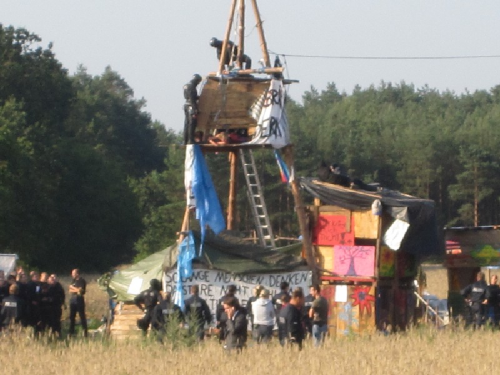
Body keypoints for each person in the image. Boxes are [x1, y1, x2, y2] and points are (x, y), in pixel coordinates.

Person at [183, 73, 202, 145]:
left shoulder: (186, 85)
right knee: (192, 123)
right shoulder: (192, 87)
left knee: (186, 123)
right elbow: (192, 99)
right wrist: (195, 109)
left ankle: (185, 140)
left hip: (186, 105)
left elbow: (187, 96)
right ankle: (191, 140)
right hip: (191, 106)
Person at [68, 268, 88, 337]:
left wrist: (73, 288)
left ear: (77, 274)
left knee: (82, 316)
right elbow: (69, 290)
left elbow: (81, 291)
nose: (72, 275)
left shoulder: (82, 281)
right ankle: (71, 332)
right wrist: (76, 289)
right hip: (73, 300)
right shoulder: (73, 280)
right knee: (72, 317)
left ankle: (85, 332)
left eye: (73, 273)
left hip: (79, 300)